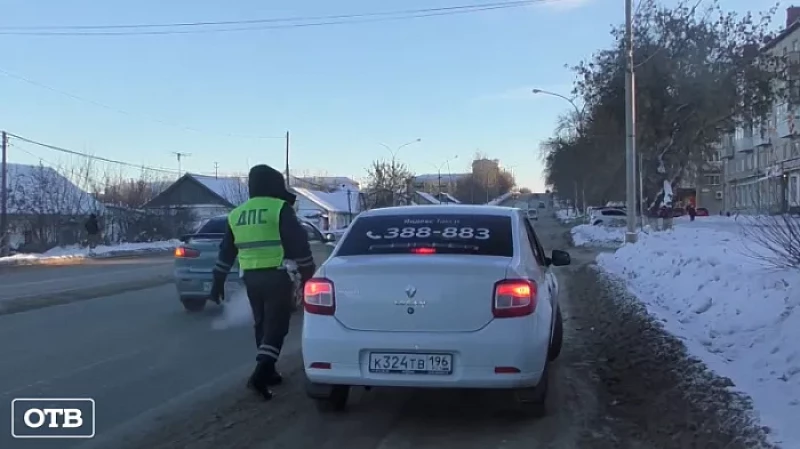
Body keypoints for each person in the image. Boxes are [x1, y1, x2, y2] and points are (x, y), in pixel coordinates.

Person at [209, 164, 316, 400]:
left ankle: (269, 371)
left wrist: (217, 280)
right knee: (277, 326)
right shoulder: (279, 208)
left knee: (262, 323)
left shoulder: (237, 213)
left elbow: (226, 250)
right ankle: (259, 375)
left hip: (251, 277)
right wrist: (309, 274)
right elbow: (299, 244)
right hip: (277, 274)